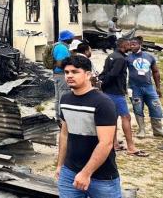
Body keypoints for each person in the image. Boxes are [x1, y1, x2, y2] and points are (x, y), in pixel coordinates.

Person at [57, 55, 121, 198]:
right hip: (69, 172)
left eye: (75, 72)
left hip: (102, 177)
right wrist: (60, 165)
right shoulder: (65, 99)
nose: (69, 76)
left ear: (87, 74)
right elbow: (64, 134)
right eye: (67, 72)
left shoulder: (103, 102)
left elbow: (106, 143)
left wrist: (86, 173)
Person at [100, 38, 147, 157]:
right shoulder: (121, 59)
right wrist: (105, 83)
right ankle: (131, 147)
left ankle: (114, 144)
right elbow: (113, 74)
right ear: (123, 45)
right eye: (128, 45)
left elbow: (104, 72)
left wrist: (101, 83)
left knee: (113, 118)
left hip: (108, 92)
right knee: (126, 117)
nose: (130, 46)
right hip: (116, 92)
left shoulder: (111, 55)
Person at [127, 36, 163, 138]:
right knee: (138, 108)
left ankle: (157, 130)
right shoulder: (128, 58)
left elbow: (156, 72)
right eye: (130, 44)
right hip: (135, 88)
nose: (131, 46)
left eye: (134, 44)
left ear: (140, 45)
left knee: (156, 108)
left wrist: (158, 87)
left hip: (149, 87)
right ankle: (142, 130)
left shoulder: (149, 57)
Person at [54, 30, 76, 119]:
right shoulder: (62, 48)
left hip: (58, 75)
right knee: (63, 97)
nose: (72, 39)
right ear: (68, 38)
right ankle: (63, 118)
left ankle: (59, 117)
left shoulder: (59, 46)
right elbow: (60, 63)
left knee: (58, 97)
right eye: (71, 38)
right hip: (61, 75)